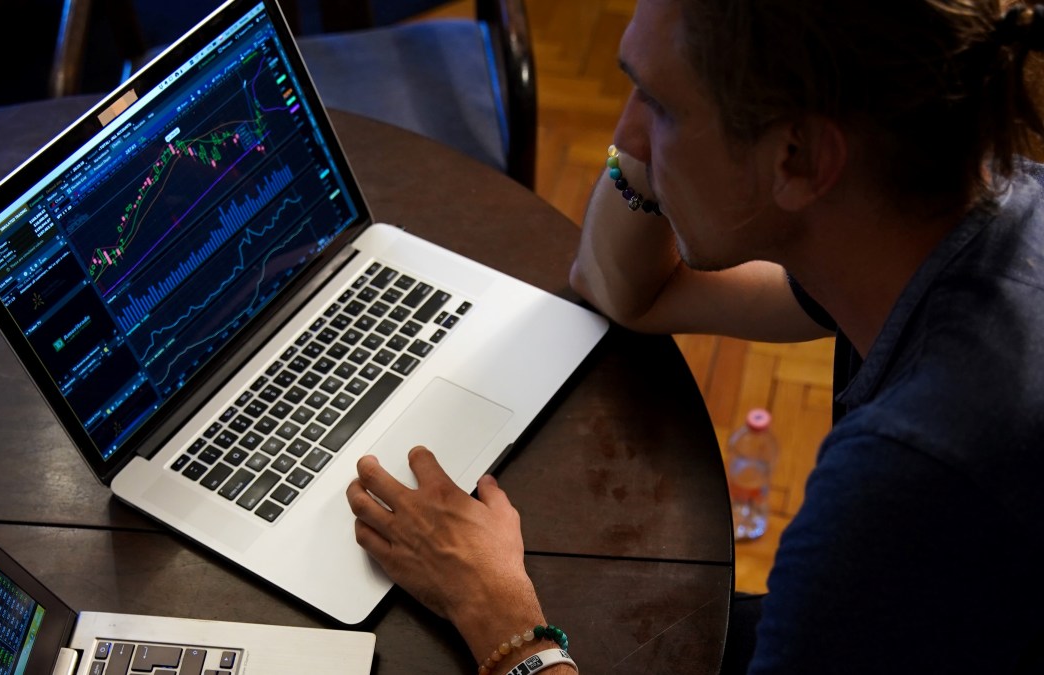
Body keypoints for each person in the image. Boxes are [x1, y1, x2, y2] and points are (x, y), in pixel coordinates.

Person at [346, 0, 1044, 672]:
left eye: (660, 106)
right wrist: (663, 146)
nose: (624, 138)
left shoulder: (910, 478)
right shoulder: (953, 211)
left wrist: (501, 623)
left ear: (796, 158)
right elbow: (626, 290)